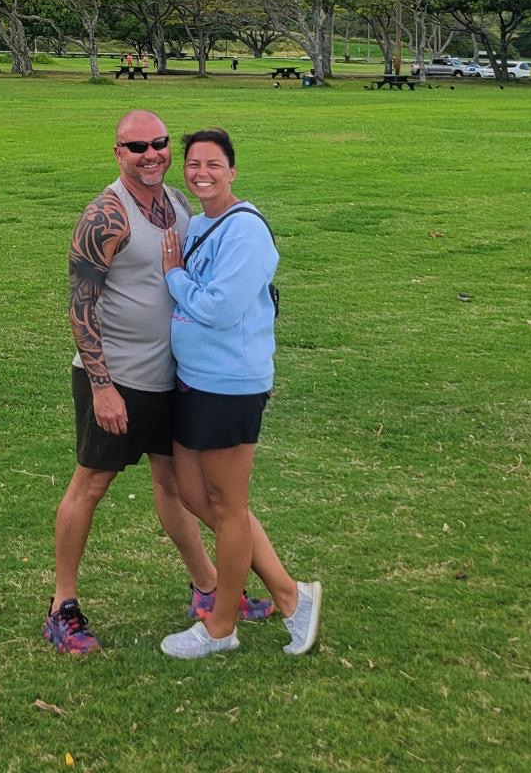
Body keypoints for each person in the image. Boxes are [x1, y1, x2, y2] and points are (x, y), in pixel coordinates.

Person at [45, 110, 283, 654]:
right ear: (117, 153)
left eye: (159, 143)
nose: (150, 154)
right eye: (136, 147)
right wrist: (102, 386)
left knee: (178, 486)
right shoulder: (106, 215)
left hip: (173, 376)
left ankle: (209, 588)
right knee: (91, 485)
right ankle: (62, 606)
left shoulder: (176, 203)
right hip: (118, 378)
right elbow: (80, 307)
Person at [156, 127, 322, 658]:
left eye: (213, 164)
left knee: (228, 506)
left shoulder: (246, 230)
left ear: (232, 171)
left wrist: (174, 276)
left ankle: (221, 626)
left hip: (230, 384)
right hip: (192, 378)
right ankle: (292, 595)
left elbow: (220, 308)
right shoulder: (200, 223)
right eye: (192, 164)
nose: (201, 173)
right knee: (194, 492)